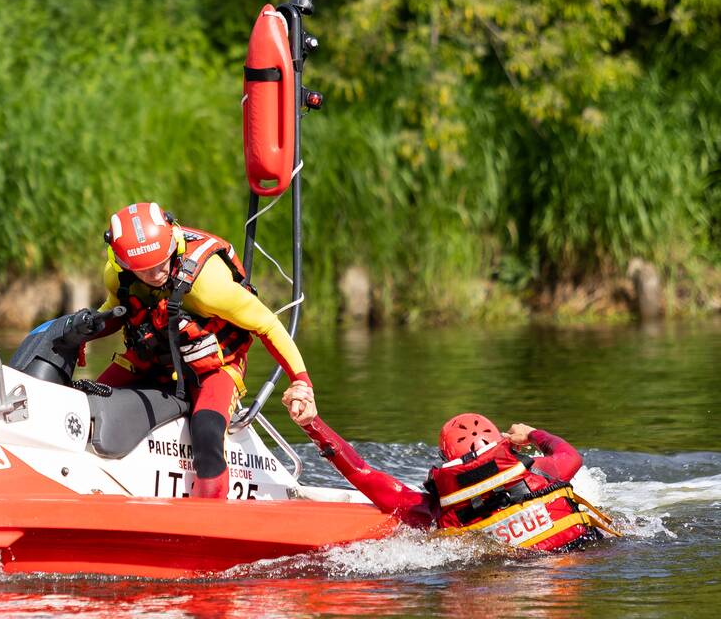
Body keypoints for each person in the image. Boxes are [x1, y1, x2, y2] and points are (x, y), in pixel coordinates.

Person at [91, 202, 317, 498]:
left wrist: (302, 382)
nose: (157, 273)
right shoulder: (117, 275)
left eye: (162, 261)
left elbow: (268, 325)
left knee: (207, 434)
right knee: (85, 402)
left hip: (214, 368)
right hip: (153, 361)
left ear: (173, 241)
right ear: (122, 262)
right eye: (144, 270)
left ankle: (212, 514)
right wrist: (81, 338)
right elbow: (114, 311)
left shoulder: (207, 285)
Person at [285, 403, 619, 551]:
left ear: (447, 461)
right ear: (501, 446)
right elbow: (571, 455)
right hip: (579, 559)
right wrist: (532, 433)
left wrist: (312, 424)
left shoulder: (436, 509)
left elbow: (363, 474)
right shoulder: (541, 473)